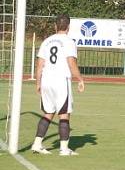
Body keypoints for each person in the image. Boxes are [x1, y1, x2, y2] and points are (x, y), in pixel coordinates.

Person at [31, 14, 85, 156]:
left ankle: (37, 144)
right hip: (61, 81)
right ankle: (64, 149)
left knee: (48, 112)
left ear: (55, 26)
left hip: (47, 80)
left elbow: (39, 65)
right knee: (64, 114)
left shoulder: (46, 41)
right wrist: (80, 79)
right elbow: (71, 62)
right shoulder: (68, 41)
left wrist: (38, 83)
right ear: (68, 27)